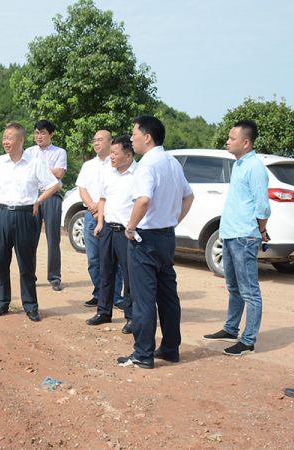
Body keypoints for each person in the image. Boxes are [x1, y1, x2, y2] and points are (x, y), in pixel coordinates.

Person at [118, 115, 194, 369]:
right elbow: (188, 197)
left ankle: (143, 353)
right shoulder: (172, 162)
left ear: (147, 137)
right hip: (165, 237)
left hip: (145, 238)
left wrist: (130, 227)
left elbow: (143, 200)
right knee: (168, 296)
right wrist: (172, 221)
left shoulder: (146, 165)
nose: (131, 138)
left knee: (143, 298)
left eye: (134, 133)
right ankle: (171, 348)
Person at [0, 122, 60, 322]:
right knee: (1, 261)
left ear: (21, 140)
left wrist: (38, 201)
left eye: (10, 138)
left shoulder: (35, 163)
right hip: (2, 215)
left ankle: (30, 305)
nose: (6, 141)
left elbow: (54, 185)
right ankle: (2, 302)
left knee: (26, 263)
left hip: (25, 216)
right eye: (4, 137)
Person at [203, 120, 271, 356]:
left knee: (249, 290)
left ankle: (248, 340)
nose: (227, 141)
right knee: (233, 287)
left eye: (232, 138)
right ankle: (231, 328)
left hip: (244, 236)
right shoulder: (239, 165)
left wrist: (260, 231)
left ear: (246, 142)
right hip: (231, 234)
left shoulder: (255, 168)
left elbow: (263, 206)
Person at [88, 136, 136, 334]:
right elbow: (102, 199)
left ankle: (131, 317)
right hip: (108, 228)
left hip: (127, 232)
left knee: (129, 275)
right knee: (105, 271)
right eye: (111, 153)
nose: (112, 157)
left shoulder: (139, 174)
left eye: (115, 153)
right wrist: (99, 223)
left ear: (128, 154)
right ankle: (103, 311)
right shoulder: (109, 173)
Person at [75, 130, 123, 308]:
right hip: (91, 215)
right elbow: (82, 189)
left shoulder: (116, 164)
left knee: (113, 260)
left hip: (110, 216)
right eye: (94, 140)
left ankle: (116, 297)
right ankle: (99, 293)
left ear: (111, 142)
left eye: (100, 140)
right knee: (93, 258)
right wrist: (93, 207)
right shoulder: (88, 165)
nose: (96, 143)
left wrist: (101, 208)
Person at [24, 120, 66, 291]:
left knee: (53, 238)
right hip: (32, 196)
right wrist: (48, 171)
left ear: (51, 134)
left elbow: (60, 172)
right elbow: (25, 172)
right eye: (36, 133)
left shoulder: (59, 152)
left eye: (42, 133)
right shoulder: (28, 152)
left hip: (52, 196)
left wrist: (38, 171)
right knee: (29, 238)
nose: (39, 136)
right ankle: (29, 275)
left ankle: (54, 277)